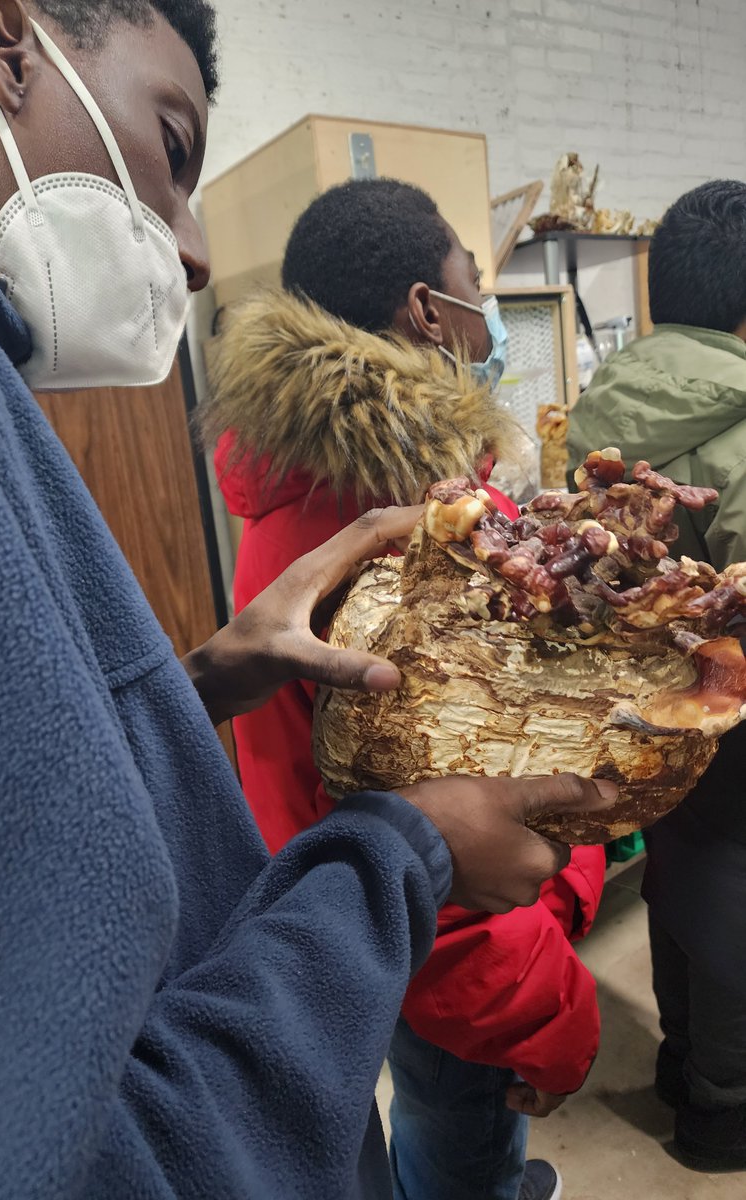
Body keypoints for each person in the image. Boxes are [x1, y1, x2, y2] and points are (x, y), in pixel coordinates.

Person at [0, 3, 617, 1198]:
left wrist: (191, 685)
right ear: (8, 46)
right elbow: (21, 1140)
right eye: (173, 147)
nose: (194, 248)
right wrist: (407, 859)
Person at [203, 179, 606, 1200]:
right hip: (441, 942)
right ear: (430, 309)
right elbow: (451, 844)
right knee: (460, 1122)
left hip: (365, 918)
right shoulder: (395, 531)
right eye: (474, 273)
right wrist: (555, 1011)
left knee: (430, 1104)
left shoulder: (327, 489)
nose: (489, 300)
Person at [569, 179, 746, 1173]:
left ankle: (688, 1065)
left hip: (631, 695)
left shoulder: (609, 396)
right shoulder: (740, 418)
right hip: (728, 696)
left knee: (683, 860)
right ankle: (724, 1106)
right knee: (730, 874)